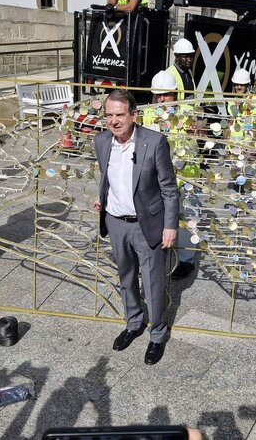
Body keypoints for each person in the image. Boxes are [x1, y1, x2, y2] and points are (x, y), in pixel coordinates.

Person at [94, 90, 179, 365]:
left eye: (120, 115)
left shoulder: (154, 142)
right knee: (126, 278)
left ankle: (157, 335)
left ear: (133, 115)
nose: (114, 121)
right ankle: (133, 323)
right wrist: (103, 200)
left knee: (153, 282)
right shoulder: (102, 141)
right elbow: (109, 178)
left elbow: (169, 189)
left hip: (147, 225)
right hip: (116, 223)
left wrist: (169, 226)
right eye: (109, 115)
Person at [142, 71, 200, 281]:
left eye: (165, 95)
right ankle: (159, 253)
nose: (161, 99)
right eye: (158, 95)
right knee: (159, 217)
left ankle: (187, 260)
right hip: (160, 177)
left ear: (174, 93)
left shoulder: (187, 112)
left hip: (185, 176)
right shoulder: (149, 112)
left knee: (187, 219)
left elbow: (192, 141)